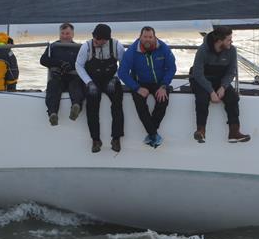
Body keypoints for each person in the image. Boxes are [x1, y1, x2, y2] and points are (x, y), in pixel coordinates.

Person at [190, 26, 251, 143]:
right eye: (228, 39)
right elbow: (198, 74)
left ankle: (234, 132)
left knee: (233, 98)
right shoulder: (203, 50)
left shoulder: (232, 50)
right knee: (202, 98)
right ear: (219, 41)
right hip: (201, 79)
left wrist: (223, 87)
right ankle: (201, 131)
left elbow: (231, 72)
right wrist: (211, 91)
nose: (231, 42)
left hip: (219, 79)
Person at [118, 26, 176, 148]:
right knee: (140, 105)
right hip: (139, 83)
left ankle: (152, 134)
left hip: (159, 83)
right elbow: (122, 73)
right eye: (145, 37)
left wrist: (164, 85)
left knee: (163, 101)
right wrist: (137, 88)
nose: (147, 39)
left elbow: (172, 68)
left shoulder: (163, 48)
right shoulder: (132, 51)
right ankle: (154, 134)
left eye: (150, 37)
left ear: (154, 37)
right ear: (140, 37)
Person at [75, 23, 125, 153]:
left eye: (98, 39)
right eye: (94, 38)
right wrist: (88, 82)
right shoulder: (86, 47)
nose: (95, 41)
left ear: (106, 39)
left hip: (111, 79)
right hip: (93, 79)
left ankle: (116, 138)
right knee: (91, 107)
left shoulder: (117, 46)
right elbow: (79, 65)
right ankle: (95, 140)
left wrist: (115, 78)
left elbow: (124, 65)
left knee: (117, 105)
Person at [40, 22, 85, 125]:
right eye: (63, 33)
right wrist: (59, 63)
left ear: (72, 34)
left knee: (77, 85)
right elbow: (43, 60)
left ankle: (76, 107)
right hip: (58, 77)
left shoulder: (78, 47)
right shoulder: (53, 46)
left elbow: (84, 63)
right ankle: (53, 113)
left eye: (67, 33)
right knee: (52, 85)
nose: (65, 36)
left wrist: (71, 66)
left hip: (73, 77)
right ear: (59, 34)